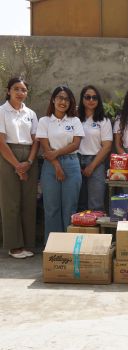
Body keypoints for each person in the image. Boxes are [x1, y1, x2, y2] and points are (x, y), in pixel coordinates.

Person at [36, 86, 85, 242]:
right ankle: (53, 246)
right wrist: (57, 166)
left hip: (71, 163)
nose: (63, 102)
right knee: (51, 207)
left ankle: (68, 246)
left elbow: (75, 144)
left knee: (70, 207)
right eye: (60, 98)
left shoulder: (75, 121)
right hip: (50, 166)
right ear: (53, 99)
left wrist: (55, 153)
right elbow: (45, 147)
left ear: (70, 103)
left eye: (67, 99)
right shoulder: (44, 121)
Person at [0, 77, 39, 259]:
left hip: (29, 157)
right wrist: (17, 165)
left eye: (23, 90)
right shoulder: (2, 111)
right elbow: (1, 141)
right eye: (16, 89)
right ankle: (14, 246)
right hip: (8, 156)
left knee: (29, 202)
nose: (20, 93)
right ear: (8, 91)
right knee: (11, 202)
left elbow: (36, 140)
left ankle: (28, 243)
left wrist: (28, 162)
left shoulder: (30, 113)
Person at [77, 85, 112, 211]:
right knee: (79, 202)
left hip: (96, 161)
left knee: (96, 204)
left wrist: (92, 166)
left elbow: (107, 146)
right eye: (87, 97)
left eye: (94, 97)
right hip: (75, 160)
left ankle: (95, 225)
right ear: (82, 99)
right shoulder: (75, 118)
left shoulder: (103, 120)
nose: (91, 100)